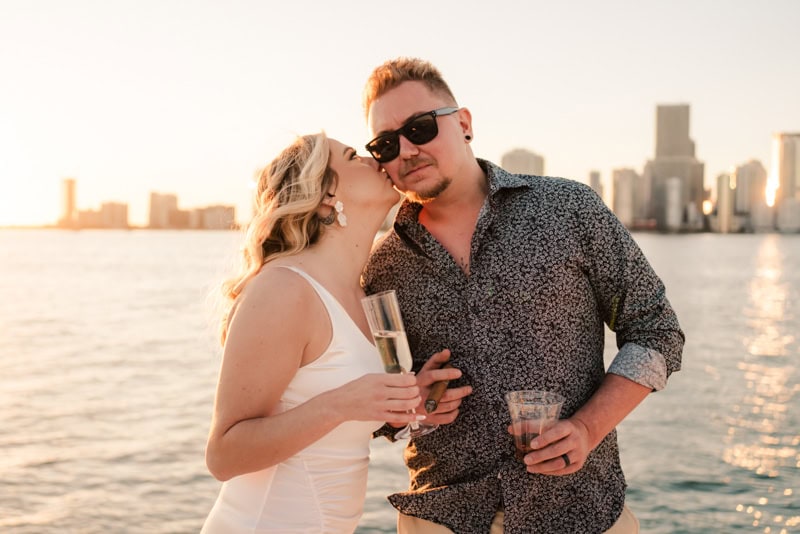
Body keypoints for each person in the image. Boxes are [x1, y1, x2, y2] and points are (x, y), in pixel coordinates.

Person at [361, 57, 685, 533]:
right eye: (386, 145)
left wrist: (587, 428)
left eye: (421, 127)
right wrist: (411, 405)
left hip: (581, 514)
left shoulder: (568, 209)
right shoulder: (378, 268)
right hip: (440, 519)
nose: (406, 150)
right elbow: (365, 401)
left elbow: (657, 332)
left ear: (464, 123)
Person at [201, 132, 463, 533]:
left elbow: (336, 421)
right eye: (353, 156)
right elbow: (224, 455)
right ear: (326, 193)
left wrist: (407, 405)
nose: (376, 159)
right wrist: (342, 403)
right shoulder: (284, 288)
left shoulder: (365, 291)